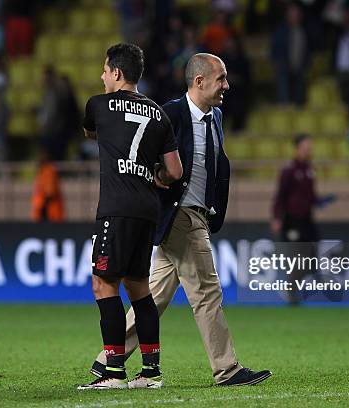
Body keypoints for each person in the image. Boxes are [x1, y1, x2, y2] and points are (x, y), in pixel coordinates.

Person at [90, 53, 272, 387]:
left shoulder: (215, 117)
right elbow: (142, 154)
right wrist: (157, 176)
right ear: (199, 81)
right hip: (179, 213)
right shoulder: (169, 113)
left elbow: (215, 165)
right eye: (221, 79)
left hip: (198, 213)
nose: (226, 86)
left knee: (153, 294)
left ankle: (107, 361)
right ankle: (227, 369)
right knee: (206, 292)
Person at [78, 44, 183, 390]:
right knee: (139, 288)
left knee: (103, 284)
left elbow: (91, 132)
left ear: (117, 74)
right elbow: (174, 170)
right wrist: (155, 177)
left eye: (105, 70)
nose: (102, 76)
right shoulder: (159, 114)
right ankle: (151, 373)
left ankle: (113, 373)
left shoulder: (98, 105)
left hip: (116, 208)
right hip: (147, 209)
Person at [271, 134, 334, 304]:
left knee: (312, 260)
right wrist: (277, 218)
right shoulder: (289, 170)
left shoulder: (309, 170)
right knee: (297, 258)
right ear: (297, 149)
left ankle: (290, 288)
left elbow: (310, 197)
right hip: (292, 220)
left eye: (310, 148)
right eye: (306, 147)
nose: (308, 151)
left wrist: (321, 201)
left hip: (307, 220)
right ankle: (291, 293)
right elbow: (280, 196)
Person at [270, 2, 310, 106]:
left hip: (299, 68)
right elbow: (274, 49)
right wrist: (278, 63)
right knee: (284, 97)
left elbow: (306, 50)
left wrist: (306, 64)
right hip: (284, 68)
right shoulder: (280, 30)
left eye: (297, 14)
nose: (295, 16)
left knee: (299, 97)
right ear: (287, 15)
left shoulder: (303, 30)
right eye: (293, 14)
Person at [31, 148, 65, 222]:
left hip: (49, 211)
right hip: (44, 208)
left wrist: (42, 205)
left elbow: (50, 191)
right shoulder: (44, 170)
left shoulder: (49, 170)